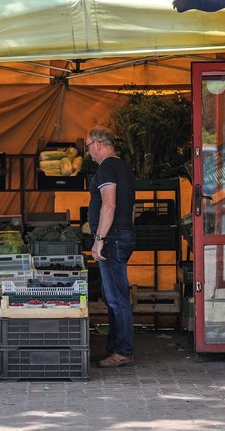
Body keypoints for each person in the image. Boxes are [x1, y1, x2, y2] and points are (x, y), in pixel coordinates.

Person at [86, 126, 136, 368]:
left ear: (97, 143)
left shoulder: (106, 167)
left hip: (113, 238)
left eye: (87, 147)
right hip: (121, 235)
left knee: (116, 297)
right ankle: (113, 347)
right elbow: (132, 208)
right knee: (113, 294)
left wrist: (100, 238)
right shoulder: (124, 167)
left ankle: (123, 351)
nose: (88, 153)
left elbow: (109, 205)